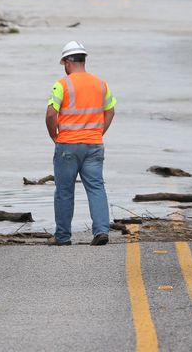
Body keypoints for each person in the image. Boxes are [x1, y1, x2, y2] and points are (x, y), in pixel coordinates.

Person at [45, 41, 116, 246]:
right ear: (84, 60)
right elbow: (110, 111)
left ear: (67, 62)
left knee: (65, 191)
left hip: (67, 144)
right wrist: (99, 131)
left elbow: (51, 114)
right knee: (96, 187)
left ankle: (63, 237)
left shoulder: (62, 84)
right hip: (94, 144)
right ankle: (101, 231)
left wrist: (54, 136)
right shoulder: (101, 84)